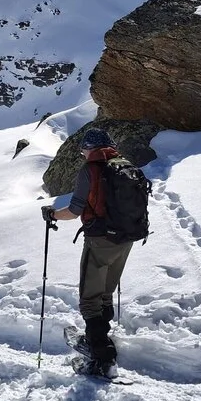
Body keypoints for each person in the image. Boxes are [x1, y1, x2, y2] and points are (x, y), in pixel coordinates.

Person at [42, 128, 143, 373]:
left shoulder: (91, 169)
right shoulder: (125, 166)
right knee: (105, 291)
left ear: (91, 148)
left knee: (89, 297)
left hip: (100, 239)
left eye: (83, 150)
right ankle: (102, 338)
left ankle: (101, 356)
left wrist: (53, 214)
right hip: (126, 239)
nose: (83, 154)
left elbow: (75, 210)